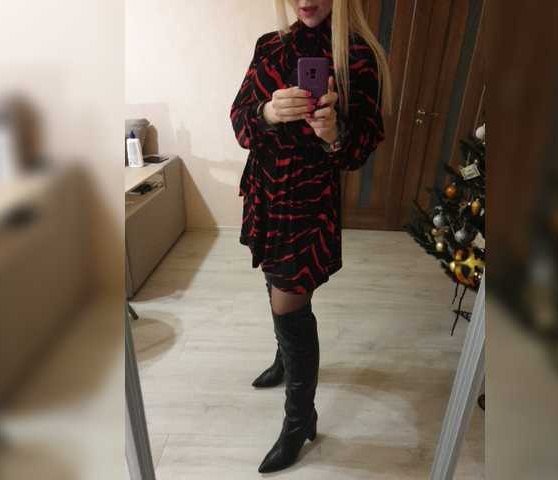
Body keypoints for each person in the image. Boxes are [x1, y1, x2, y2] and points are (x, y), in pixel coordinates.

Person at [230, 0, 391, 473]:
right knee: (276, 283)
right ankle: (285, 361)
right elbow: (239, 120)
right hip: (265, 192)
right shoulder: (269, 46)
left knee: (290, 305)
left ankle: (299, 420)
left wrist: (334, 133)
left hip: (306, 202)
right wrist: (267, 111)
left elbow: (362, 148)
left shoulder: (356, 56)